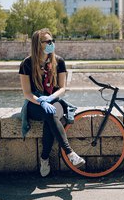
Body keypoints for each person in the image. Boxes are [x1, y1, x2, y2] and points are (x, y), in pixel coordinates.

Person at [19, 28, 85, 177]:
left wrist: (49, 98)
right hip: (34, 103)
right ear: (38, 44)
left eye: (52, 41)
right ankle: (70, 153)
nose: (52, 44)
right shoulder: (26, 64)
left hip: (54, 101)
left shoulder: (59, 61)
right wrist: (41, 101)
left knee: (52, 113)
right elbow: (27, 94)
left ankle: (44, 158)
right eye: (48, 42)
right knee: (49, 114)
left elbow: (62, 88)